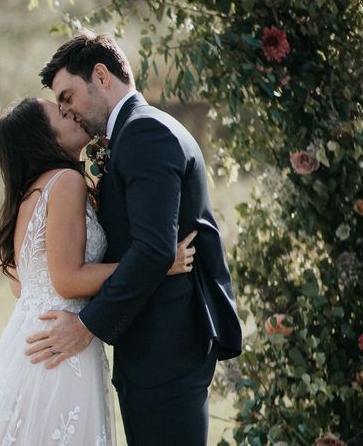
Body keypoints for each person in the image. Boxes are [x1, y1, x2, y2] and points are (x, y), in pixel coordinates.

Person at [26, 31, 243, 446]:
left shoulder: (144, 133)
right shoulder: (134, 131)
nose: (66, 110)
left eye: (68, 96)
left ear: (101, 76)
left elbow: (153, 249)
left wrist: (86, 326)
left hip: (167, 345)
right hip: (153, 344)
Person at [0, 97, 196, 445]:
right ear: (46, 137)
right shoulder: (66, 182)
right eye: (60, 113)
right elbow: (67, 280)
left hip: (32, 342)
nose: (71, 114)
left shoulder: (28, 194)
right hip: (62, 348)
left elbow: (22, 286)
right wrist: (156, 265)